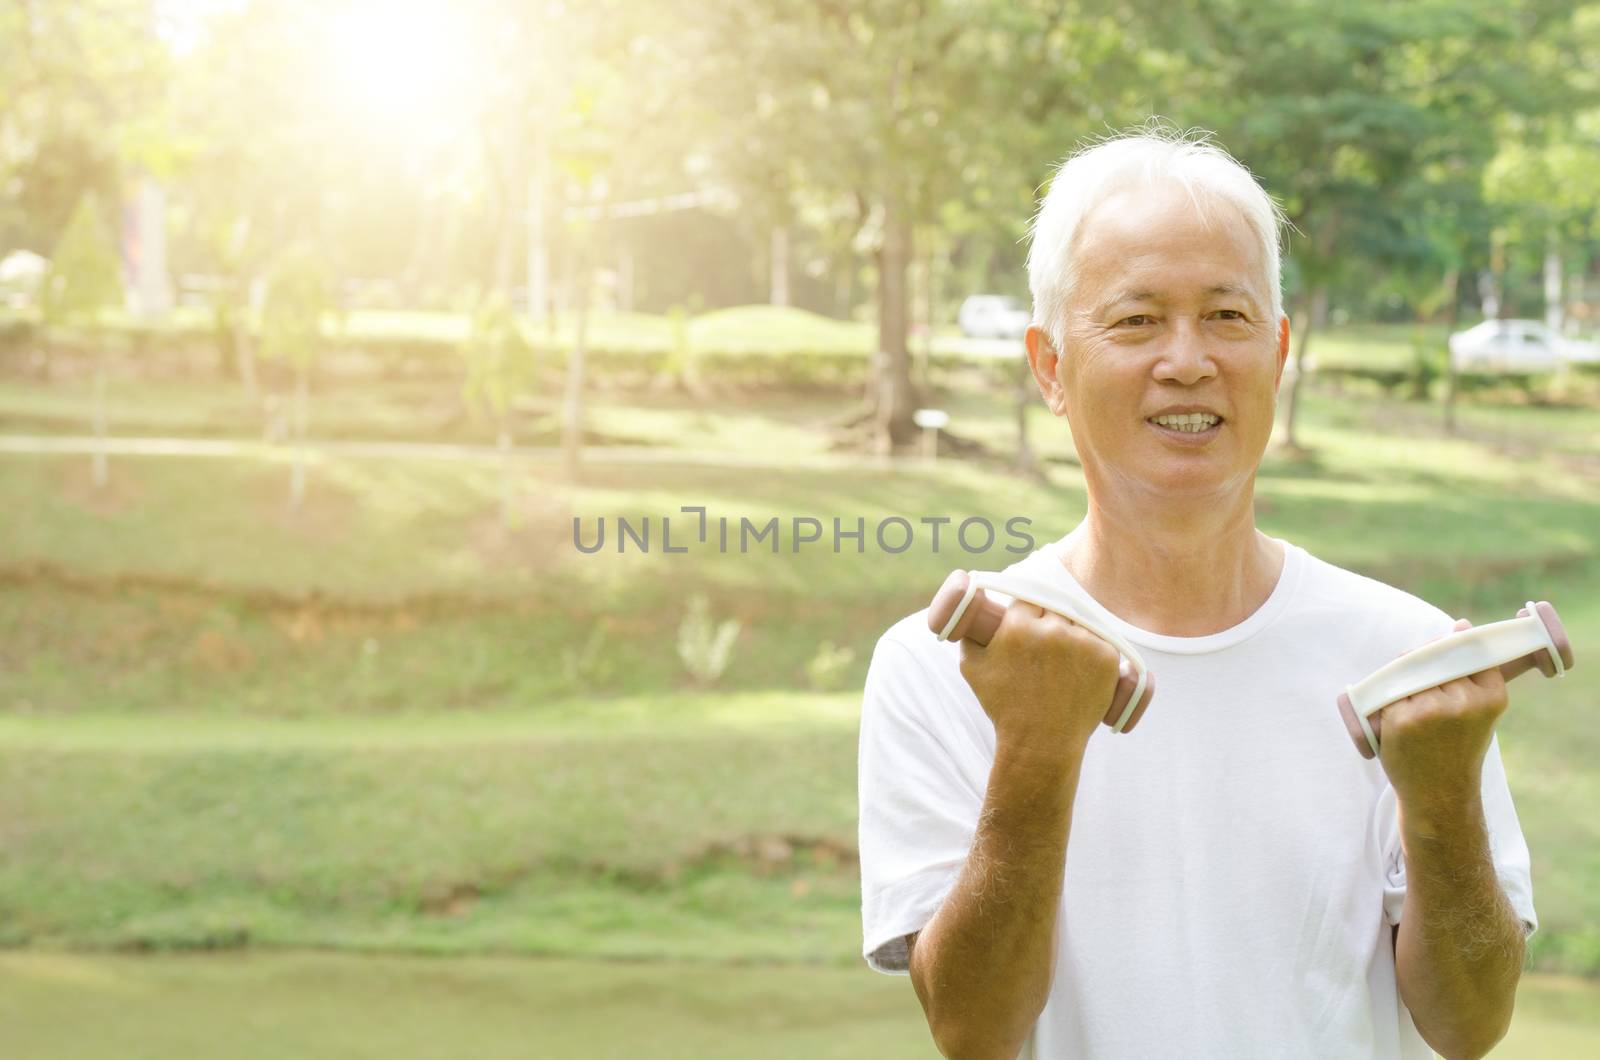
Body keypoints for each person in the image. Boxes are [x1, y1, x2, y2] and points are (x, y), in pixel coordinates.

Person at [856, 126, 1536, 1060]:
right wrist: (1037, 747)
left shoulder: (1407, 661)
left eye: (1227, 316)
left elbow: (1470, 1026)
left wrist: (1444, 798)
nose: (1187, 360)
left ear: (1279, 348)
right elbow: (973, 1032)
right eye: (1136, 320)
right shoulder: (943, 669)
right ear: (1050, 366)